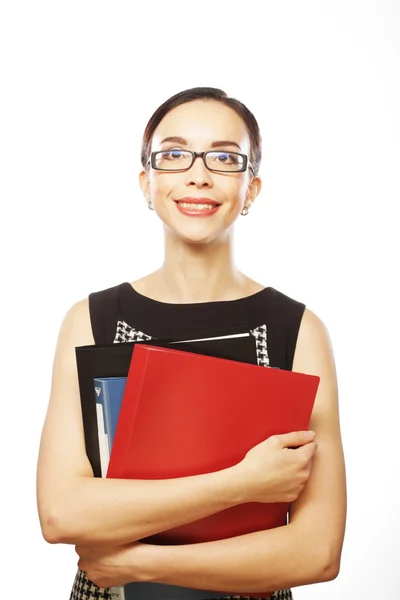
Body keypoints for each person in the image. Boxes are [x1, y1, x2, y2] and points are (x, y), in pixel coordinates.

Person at [36, 86, 347, 600]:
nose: (198, 174)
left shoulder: (297, 331)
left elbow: (317, 552)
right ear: (147, 182)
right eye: (175, 154)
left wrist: (138, 561)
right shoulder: (90, 320)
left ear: (251, 188)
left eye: (224, 157)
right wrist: (242, 483)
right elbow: (61, 511)